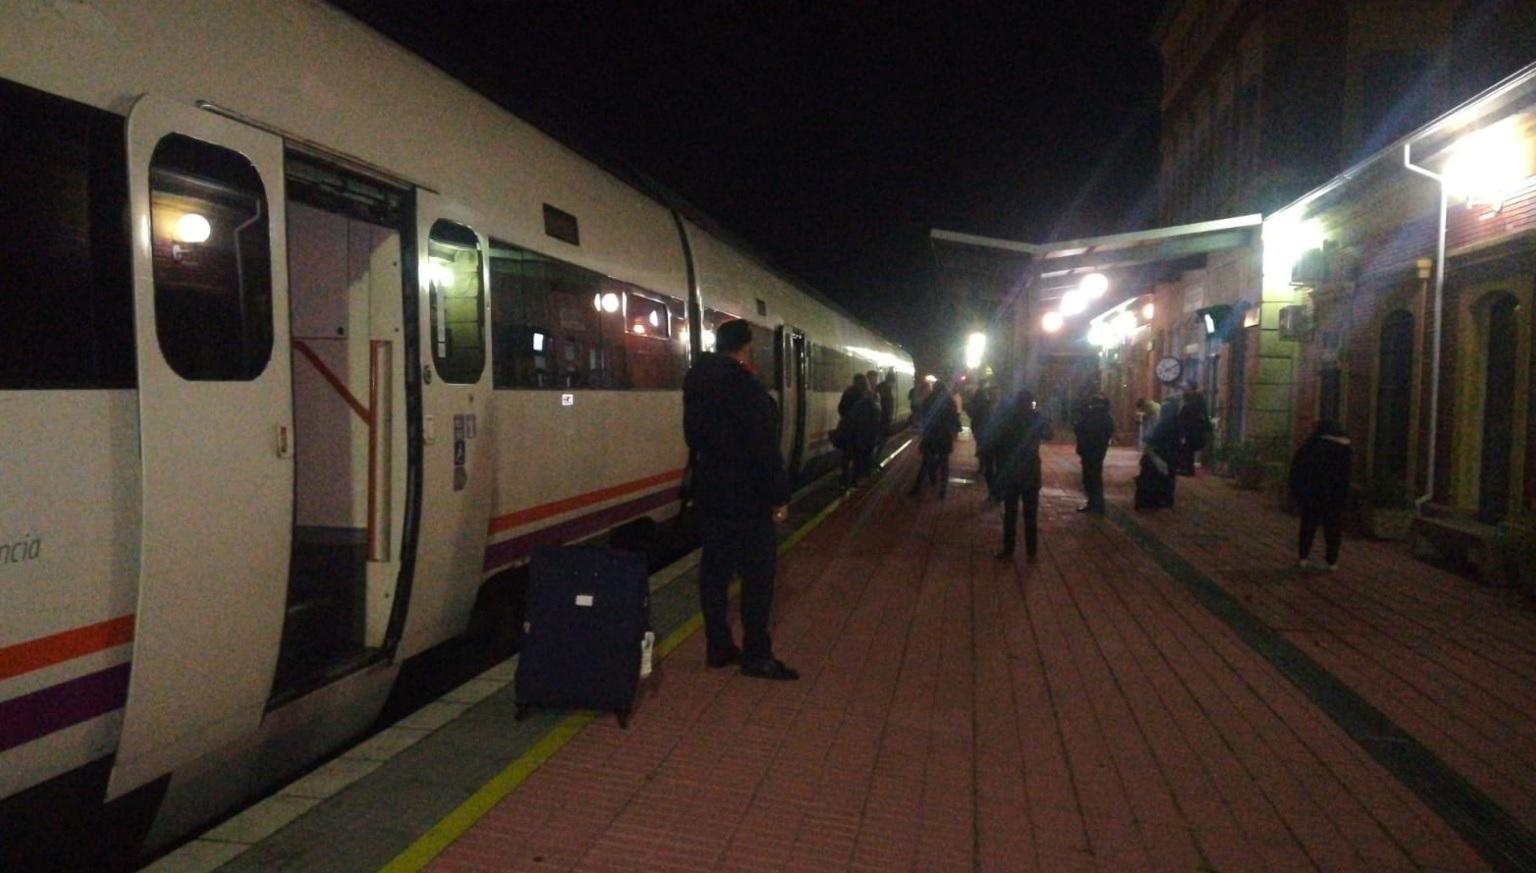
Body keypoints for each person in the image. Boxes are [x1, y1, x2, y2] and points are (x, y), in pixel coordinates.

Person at [682, 319, 799, 680]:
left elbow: (693, 437)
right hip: (747, 499)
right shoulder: (746, 388)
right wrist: (778, 497)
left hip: (710, 493)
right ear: (746, 347)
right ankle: (756, 654)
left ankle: (718, 646)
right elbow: (765, 450)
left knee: (714, 575)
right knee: (758, 577)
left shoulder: (696, 382)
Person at [985, 388, 1051, 559]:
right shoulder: (1036, 418)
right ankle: (1031, 552)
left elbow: (996, 442)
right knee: (1031, 515)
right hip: (1031, 472)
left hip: (1012, 472)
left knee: (1010, 513)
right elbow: (1049, 434)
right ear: (1031, 402)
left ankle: (1008, 549)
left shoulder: (1009, 418)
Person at [1290, 420, 1352, 571]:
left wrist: (1297, 490)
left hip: (1313, 492)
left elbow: (1298, 468)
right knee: (1333, 527)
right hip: (1335, 494)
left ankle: (1303, 558)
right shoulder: (1346, 448)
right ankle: (1332, 561)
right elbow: (1346, 473)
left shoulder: (1312, 446)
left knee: (1308, 526)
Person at [908, 380, 961, 498]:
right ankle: (942, 490)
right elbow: (954, 419)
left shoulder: (929, 401)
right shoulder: (950, 402)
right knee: (944, 464)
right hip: (944, 437)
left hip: (931, 436)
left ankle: (917, 487)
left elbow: (923, 417)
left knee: (925, 462)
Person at [836, 373, 881, 488]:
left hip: (848, 429)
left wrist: (847, 418)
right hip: (862, 432)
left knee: (846, 456)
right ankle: (854, 480)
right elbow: (875, 413)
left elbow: (841, 408)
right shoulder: (868, 394)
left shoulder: (848, 392)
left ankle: (843, 480)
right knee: (858, 456)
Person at [1135, 399, 1181, 510]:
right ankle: (1166, 499)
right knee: (1169, 476)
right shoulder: (1175, 421)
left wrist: (1149, 445)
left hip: (1161, 452)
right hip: (1171, 452)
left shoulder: (1163, 422)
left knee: (1158, 476)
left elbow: (1154, 435)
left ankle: (1155, 499)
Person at [1073, 394, 1115, 513]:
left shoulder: (1090, 416)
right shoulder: (1107, 417)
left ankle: (1094, 504)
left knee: (1090, 478)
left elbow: (1078, 427)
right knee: (1095, 476)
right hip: (1099, 450)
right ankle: (1096, 503)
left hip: (1089, 450)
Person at [1176, 386, 1212, 476]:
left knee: (1186, 451)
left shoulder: (1188, 406)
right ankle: (1188, 469)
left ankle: (1187, 469)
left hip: (1189, 431)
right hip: (1197, 431)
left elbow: (1182, 419)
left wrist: (1181, 432)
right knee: (1189, 451)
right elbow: (1205, 418)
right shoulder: (1200, 405)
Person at [875, 371, 896, 456]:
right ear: (890, 381)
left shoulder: (881, 387)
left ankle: (875, 457)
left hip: (881, 418)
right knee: (882, 438)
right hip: (883, 418)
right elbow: (885, 405)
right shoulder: (885, 389)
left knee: (881, 438)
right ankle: (875, 457)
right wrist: (888, 417)